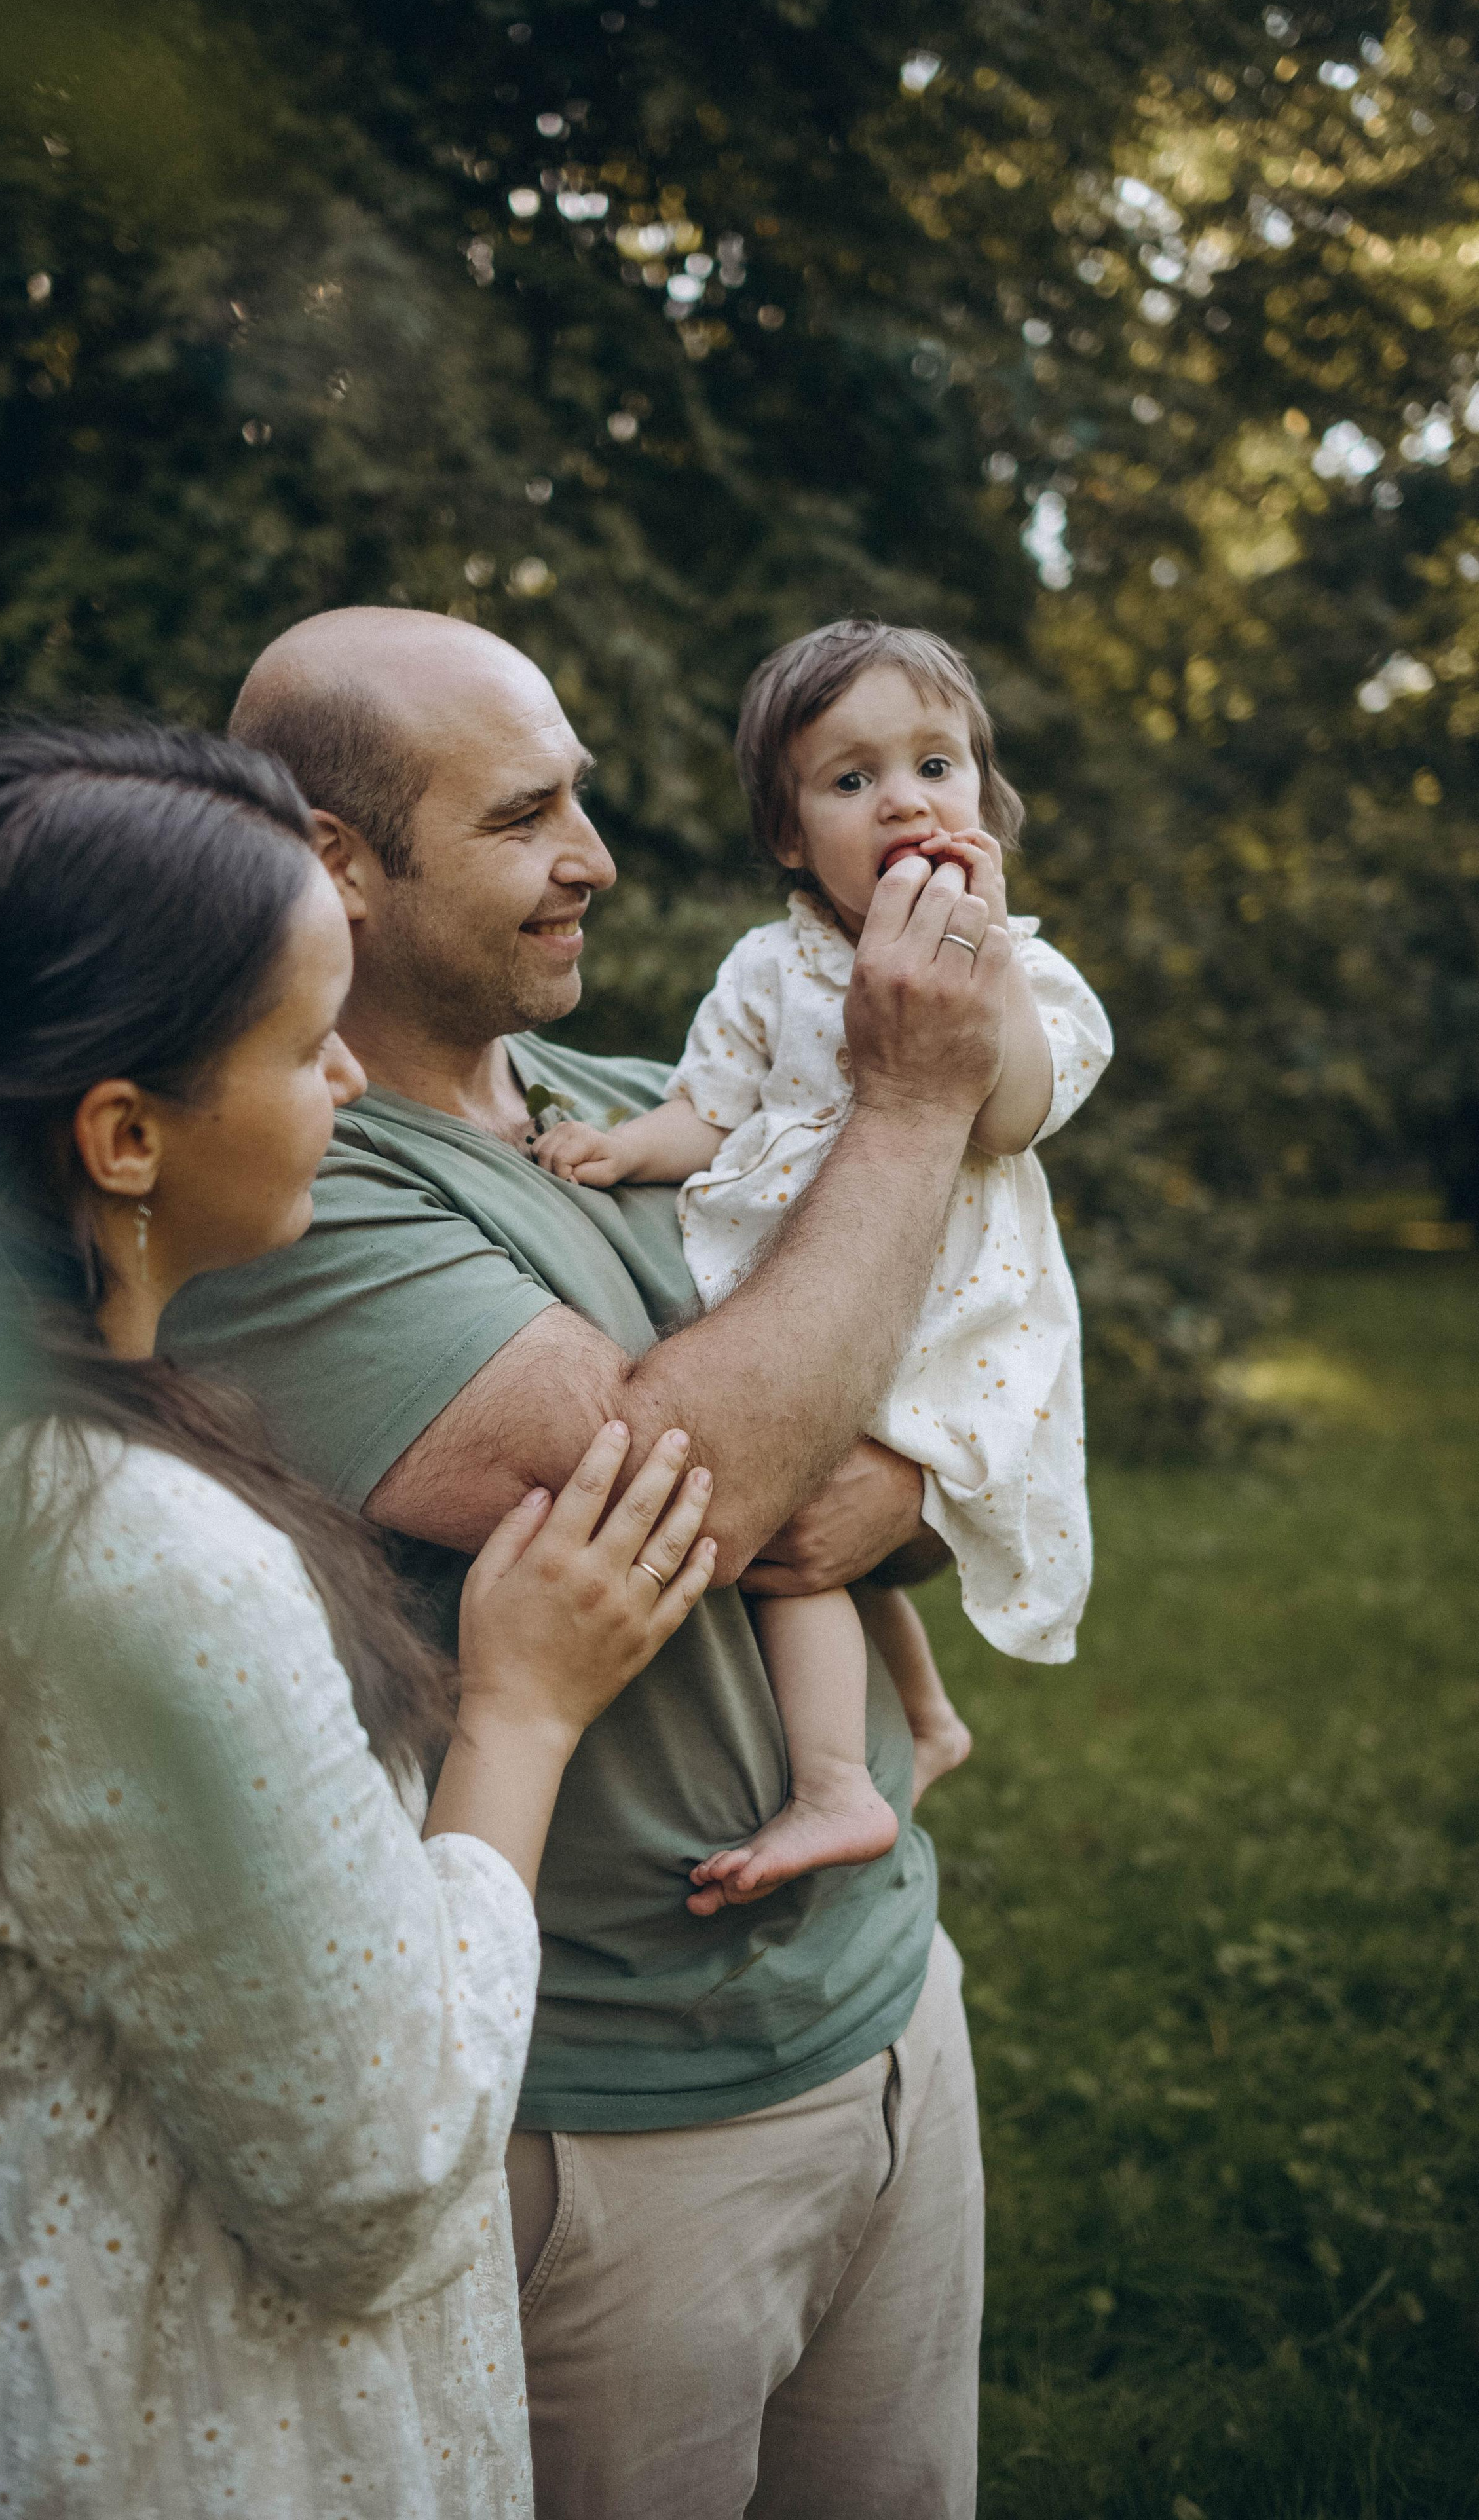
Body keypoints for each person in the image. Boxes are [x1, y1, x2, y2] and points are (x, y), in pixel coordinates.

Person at [0, 721, 714, 2519]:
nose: (353, 1081)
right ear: (125, 1134)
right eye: (305, 1046)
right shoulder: (134, 1560)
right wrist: (521, 1715)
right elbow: (380, 2172)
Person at [163, 606, 1004, 2519]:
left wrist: (901, 1479)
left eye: (584, 800)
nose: (597, 860)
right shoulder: (288, 1191)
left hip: (891, 2006)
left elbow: (965, 1366)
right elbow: (687, 1484)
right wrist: (910, 1106)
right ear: (335, 860)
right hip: (611, 2123)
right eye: (524, 817)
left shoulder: (636, 1105)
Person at [533, 618, 1114, 1912]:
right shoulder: (769, 967)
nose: (903, 799)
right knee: (799, 1518)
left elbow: (1012, 1114)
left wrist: (984, 965)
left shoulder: (1024, 972)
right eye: (851, 780)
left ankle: (835, 1783)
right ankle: (916, 1723)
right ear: (790, 834)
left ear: (985, 802)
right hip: (804, 1295)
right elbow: (709, 1112)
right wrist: (623, 1146)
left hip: (948, 1315)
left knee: (801, 1540)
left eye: (934, 766)